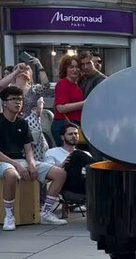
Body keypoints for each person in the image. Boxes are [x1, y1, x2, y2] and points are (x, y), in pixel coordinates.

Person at [0, 85, 68, 229]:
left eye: (20, 99)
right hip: (4, 161)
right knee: (12, 175)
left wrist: (31, 164)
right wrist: (16, 165)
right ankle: (9, 215)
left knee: (60, 173)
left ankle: (46, 213)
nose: (18, 102)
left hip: (21, 160)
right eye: (13, 99)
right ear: (4, 103)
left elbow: (28, 149)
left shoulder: (22, 123)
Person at [43, 123, 92, 199]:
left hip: (87, 184)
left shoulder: (86, 154)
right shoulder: (53, 152)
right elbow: (47, 173)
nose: (74, 136)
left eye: (76, 134)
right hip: (68, 186)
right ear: (62, 137)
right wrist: (62, 165)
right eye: (70, 134)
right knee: (76, 154)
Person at [52, 54, 84, 145]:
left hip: (74, 125)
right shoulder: (62, 83)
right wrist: (84, 103)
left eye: (77, 67)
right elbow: (60, 108)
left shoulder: (77, 85)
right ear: (65, 69)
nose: (75, 69)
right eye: (71, 67)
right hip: (63, 125)